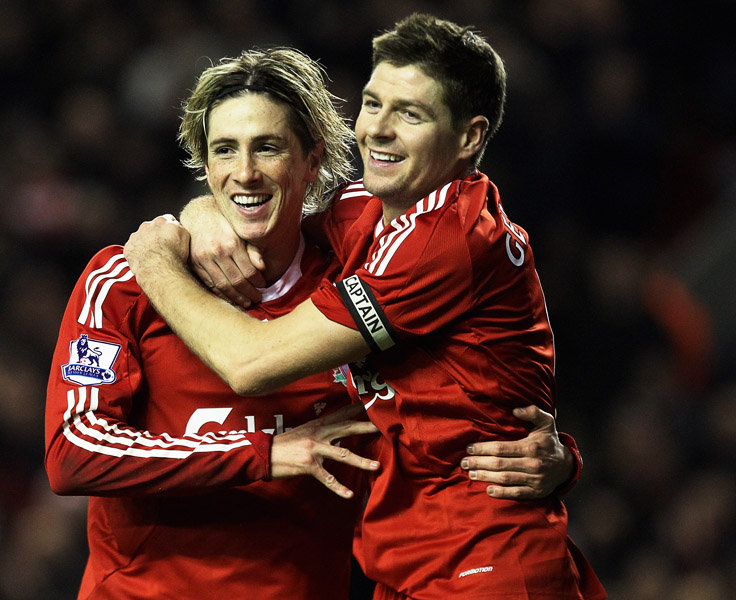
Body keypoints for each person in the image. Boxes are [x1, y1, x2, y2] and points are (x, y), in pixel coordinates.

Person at [45, 46, 574, 600]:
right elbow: (73, 453)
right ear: (205, 165)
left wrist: (556, 460)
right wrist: (263, 453)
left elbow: (452, 396)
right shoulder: (126, 281)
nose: (244, 173)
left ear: (312, 160)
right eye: (224, 150)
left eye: (268, 147)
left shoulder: (360, 275)